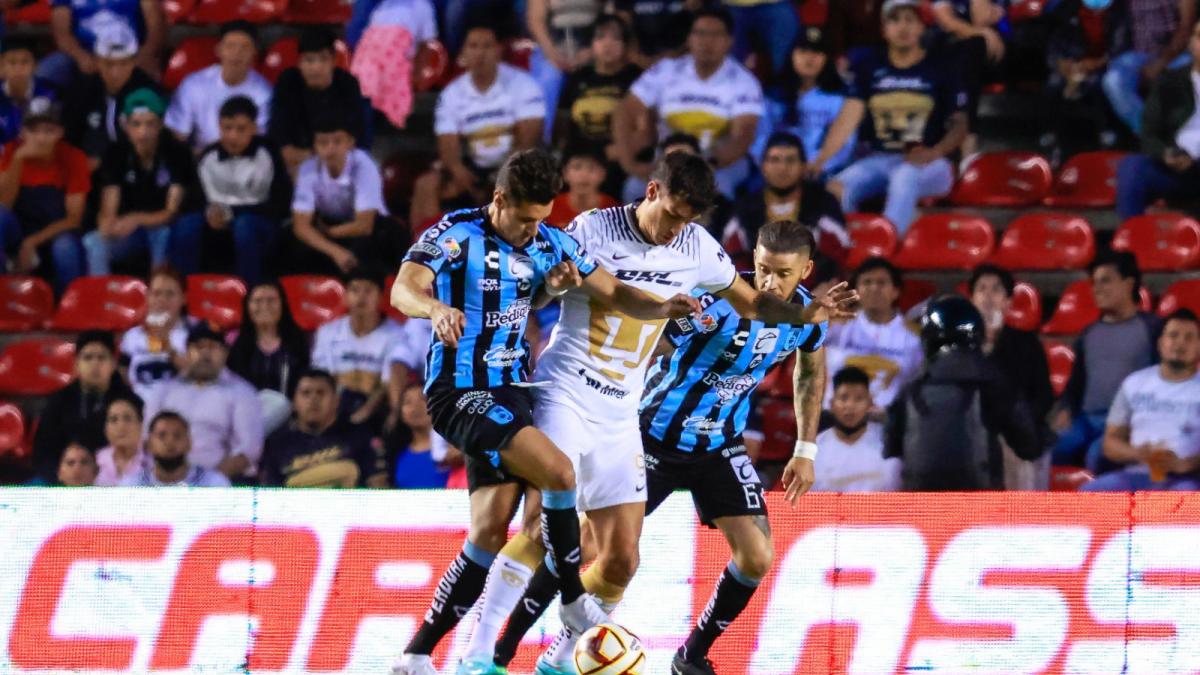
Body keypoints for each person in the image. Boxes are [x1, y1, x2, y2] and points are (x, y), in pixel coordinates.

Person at [455, 151, 853, 674]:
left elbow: (786, 338)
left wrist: (805, 441)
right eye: (760, 267)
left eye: (781, 274)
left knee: (685, 558)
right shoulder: (639, 252)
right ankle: (489, 654)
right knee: (562, 534)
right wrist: (577, 294)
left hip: (684, 434)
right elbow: (604, 304)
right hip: (619, 415)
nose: (767, 281)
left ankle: (607, 658)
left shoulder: (752, 284)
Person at [388, 148, 721, 675]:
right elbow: (404, 287)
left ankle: (419, 655)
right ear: (499, 199)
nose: (531, 232)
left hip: (514, 388)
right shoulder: (455, 233)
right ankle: (568, 597)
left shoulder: (548, 240)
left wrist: (658, 307)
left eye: (541, 219)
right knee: (559, 477)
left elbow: (610, 289)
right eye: (524, 219)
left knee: (488, 533)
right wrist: (433, 307)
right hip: (462, 388)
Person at [811, 0, 969, 236]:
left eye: (910, 20)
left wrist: (936, 152)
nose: (902, 27)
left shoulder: (941, 67)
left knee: (904, 176)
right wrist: (821, 160)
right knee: (837, 187)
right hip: (880, 159)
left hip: (932, 163)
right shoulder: (869, 67)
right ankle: (843, 248)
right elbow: (848, 117)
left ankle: (887, 249)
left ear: (922, 27)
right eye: (895, 20)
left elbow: (960, 124)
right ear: (884, 29)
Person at [885, 295, 1040, 490]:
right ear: (978, 334)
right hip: (979, 506)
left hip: (920, 507)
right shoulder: (993, 382)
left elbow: (890, 447)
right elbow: (1028, 445)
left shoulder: (911, 389)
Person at [616, 8, 763, 200]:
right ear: (689, 38)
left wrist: (707, 165)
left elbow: (742, 136)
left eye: (715, 35)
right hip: (666, 159)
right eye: (700, 33)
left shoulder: (744, 81)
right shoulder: (665, 70)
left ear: (729, 41)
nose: (706, 41)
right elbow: (626, 111)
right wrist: (629, 162)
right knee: (634, 188)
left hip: (718, 163)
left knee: (717, 191)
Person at [409, 23, 545, 228]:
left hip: (514, 164)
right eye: (473, 46)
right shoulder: (452, 93)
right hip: (472, 167)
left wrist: (502, 175)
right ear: (463, 53)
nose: (480, 53)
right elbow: (448, 143)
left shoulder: (523, 84)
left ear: (499, 50)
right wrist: (457, 169)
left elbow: (528, 138)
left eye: (487, 46)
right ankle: (427, 251)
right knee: (427, 185)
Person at [1054, 251, 1162, 470]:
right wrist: (1065, 408)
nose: (1097, 289)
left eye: (1105, 281)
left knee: (1097, 457)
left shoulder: (1153, 329)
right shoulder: (1089, 333)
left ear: (1129, 283)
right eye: (1094, 282)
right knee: (1045, 449)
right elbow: (1076, 383)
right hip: (1085, 421)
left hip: (1125, 425)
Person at [172, 96, 290, 286]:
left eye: (240, 129)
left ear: (254, 128)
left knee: (244, 226)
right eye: (227, 128)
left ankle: (248, 292)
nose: (232, 136)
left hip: (259, 224)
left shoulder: (268, 154)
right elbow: (193, 201)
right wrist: (209, 213)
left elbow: (280, 204)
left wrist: (232, 214)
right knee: (186, 226)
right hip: (216, 223)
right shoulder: (208, 156)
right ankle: (187, 291)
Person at [1082, 309, 1200, 491]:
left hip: (1184, 480)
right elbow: (1110, 443)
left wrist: (1185, 464)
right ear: (1161, 343)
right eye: (1173, 335)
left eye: (1189, 338)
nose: (1180, 343)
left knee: (1185, 501)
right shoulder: (1134, 383)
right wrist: (1139, 453)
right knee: (1088, 495)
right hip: (1135, 475)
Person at [84, 89, 193, 276]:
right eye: (136, 124)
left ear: (160, 124)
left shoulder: (177, 152)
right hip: (129, 231)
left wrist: (136, 219)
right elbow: (109, 206)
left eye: (150, 124)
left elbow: (170, 212)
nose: (143, 132)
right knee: (93, 241)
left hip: (161, 228)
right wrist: (107, 225)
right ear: (126, 125)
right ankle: (100, 297)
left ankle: (159, 296)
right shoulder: (115, 153)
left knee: (163, 234)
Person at [142, 322, 264, 481]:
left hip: (221, 484)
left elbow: (249, 450)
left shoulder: (242, 392)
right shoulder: (164, 391)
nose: (206, 353)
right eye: (199, 347)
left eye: (213, 347)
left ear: (225, 353)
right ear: (187, 353)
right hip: (164, 481)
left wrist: (205, 481)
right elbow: (147, 441)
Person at [722, 132, 847, 272]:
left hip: (811, 287)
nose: (782, 168)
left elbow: (836, 256)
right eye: (775, 160)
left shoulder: (823, 203)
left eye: (790, 160)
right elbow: (733, 256)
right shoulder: (745, 207)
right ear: (763, 167)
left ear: (803, 166)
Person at [288, 114, 396, 275]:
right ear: (315, 146)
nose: (330, 149)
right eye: (323, 143)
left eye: (337, 142)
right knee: (295, 244)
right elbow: (301, 226)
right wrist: (335, 251)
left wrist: (329, 233)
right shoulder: (308, 169)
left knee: (370, 244)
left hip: (371, 227)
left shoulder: (364, 165)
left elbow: (364, 225)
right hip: (331, 225)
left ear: (350, 143)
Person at [0, 97, 87, 291]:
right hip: (19, 232)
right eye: (34, 130)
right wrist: (17, 160)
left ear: (60, 133)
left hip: (55, 234)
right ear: (22, 133)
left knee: (64, 248)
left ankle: (68, 309)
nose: (40, 138)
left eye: (49, 131)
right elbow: (4, 206)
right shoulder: (11, 153)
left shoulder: (74, 158)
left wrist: (32, 242)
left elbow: (73, 219)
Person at [1117, 19, 1200, 220]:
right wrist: (1166, 154)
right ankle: (1131, 239)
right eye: (1199, 36)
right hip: (1178, 167)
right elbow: (1149, 134)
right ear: (1190, 42)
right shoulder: (1169, 81)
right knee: (1133, 166)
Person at [968, 264, 1054, 453]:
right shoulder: (960, 344)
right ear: (972, 300)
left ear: (1008, 302)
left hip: (1016, 435)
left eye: (996, 289)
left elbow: (1043, 395)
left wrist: (1020, 425)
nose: (988, 296)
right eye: (981, 289)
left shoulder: (1027, 342)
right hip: (970, 434)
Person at [554, 14, 641, 197]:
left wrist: (622, 149)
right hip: (582, 154)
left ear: (626, 45)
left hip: (620, 154)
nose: (607, 44)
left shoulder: (637, 79)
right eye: (600, 37)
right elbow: (563, 127)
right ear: (591, 44)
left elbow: (644, 129)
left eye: (616, 38)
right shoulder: (577, 78)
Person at [33, 331, 137, 483]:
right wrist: (62, 477)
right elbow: (43, 453)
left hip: (115, 481)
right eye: (88, 357)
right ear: (76, 364)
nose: (95, 364)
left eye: (101, 357)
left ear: (113, 364)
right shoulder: (58, 401)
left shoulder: (130, 401)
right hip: (66, 480)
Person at [269, 27, 371, 177]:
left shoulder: (348, 85)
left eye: (323, 59)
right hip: (295, 169)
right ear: (299, 63)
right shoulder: (288, 83)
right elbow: (282, 148)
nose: (316, 68)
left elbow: (356, 143)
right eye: (309, 60)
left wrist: (317, 158)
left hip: (339, 168)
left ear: (333, 61)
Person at [823, 257, 923, 409]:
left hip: (889, 423)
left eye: (881, 283)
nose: (874, 288)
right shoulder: (836, 326)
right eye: (867, 282)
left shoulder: (914, 337)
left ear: (895, 291)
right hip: (834, 419)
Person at [260, 369, 386, 488]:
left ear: (336, 401)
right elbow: (270, 496)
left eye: (321, 393)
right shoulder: (277, 444)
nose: (313, 399)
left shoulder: (360, 435)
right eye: (306, 393)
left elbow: (378, 486)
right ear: (294, 403)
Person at [311, 267, 405, 426]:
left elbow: (387, 386)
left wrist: (361, 416)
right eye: (355, 290)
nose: (361, 297)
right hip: (333, 410)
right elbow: (322, 378)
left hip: (376, 413)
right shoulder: (327, 332)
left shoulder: (397, 335)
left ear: (381, 297)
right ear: (346, 296)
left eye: (368, 291)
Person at [165, 21, 272, 152]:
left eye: (245, 47)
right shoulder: (194, 84)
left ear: (255, 52)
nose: (237, 53)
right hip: (198, 157)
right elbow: (177, 134)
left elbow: (258, 142)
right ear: (218, 50)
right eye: (230, 46)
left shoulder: (264, 92)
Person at [763, 26, 855, 179]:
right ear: (791, 55)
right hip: (773, 169)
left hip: (822, 171)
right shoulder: (773, 94)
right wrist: (773, 165)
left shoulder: (840, 97)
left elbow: (844, 146)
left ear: (827, 59)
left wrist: (814, 165)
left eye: (817, 53)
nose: (809, 58)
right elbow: (759, 137)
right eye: (803, 51)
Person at [62, 31, 162, 170]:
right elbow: (69, 138)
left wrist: (108, 164)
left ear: (134, 62)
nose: (115, 72)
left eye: (123, 64)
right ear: (97, 61)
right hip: (87, 174)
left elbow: (153, 143)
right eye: (109, 64)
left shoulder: (148, 91)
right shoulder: (81, 90)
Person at [1041, 0, 1127, 161]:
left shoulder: (1119, 11)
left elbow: (1120, 47)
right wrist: (1063, 65)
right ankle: (1052, 133)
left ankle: (1106, 131)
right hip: (1072, 62)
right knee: (1054, 84)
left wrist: (1095, 64)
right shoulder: (1067, 10)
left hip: (1104, 64)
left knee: (1099, 84)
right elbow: (1055, 44)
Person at [1102, 0, 1196, 134]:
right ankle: (1152, 135)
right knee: (1113, 82)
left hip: (1177, 54)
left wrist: (1160, 63)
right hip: (1137, 54)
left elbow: (1186, 29)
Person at [347, 0, 438, 129]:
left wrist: (417, 74)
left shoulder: (423, 5)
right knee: (362, 89)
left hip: (395, 55)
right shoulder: (383, 5)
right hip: (369, 51)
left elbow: (426, 43)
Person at [812, 366, 900, 492]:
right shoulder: (814, 449)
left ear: (870, 404)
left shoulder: (889, 443)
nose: (850, 406)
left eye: (859, 399)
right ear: (831, 404)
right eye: (843, 398)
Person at [525, 0, 601, 141]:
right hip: (553, 45)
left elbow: (610, 14)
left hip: (594, 44)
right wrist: (553, 55)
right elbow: (536, 22)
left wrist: (593, 51)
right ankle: (542, 141)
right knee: (548, 77)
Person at [227, 281, 310, 397]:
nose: (265, 306)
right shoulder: (232, 340)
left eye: (271, 300)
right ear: (247, 306)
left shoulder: (299, 340)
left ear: (283, 305)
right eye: (257, 301)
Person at [47, 0, 163, 84]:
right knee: (50, 69)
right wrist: (81, 57)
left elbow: (155, 21)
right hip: (86, 53)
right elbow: (62, 34)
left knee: (151, 71)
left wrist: (147, 52)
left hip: (130, 53)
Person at [120, 266, 190, 400]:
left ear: (183, 298)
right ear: (147, 297)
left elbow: (201, 376)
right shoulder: (132, 336)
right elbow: (122, 375)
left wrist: (169, 349)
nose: (162, 299)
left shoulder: (193, 334)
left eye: (170, 294)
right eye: (156, 293)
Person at [121, 411, 232, 487]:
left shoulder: (214, 484)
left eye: (177, 435)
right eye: (162, 435)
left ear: (189, 443)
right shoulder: (131, 486)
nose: (170, 442)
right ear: (149, 444)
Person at [390, 382, 453, 488]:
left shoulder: (454, 449)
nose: (416, 407)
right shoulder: (396, 455)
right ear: (401, 414)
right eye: (408, 402)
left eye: (424, 399)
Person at [0, 38, 55, 145]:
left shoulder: (50, 93)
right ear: (1, 67)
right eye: (12, 62)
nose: (18, 68)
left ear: (35, 66)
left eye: (25, 62)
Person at [545, 147, 618, 228]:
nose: (584, 175)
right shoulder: (550, 208)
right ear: (565, 173)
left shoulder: (613, 209)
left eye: (591, 168)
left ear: (603, 174)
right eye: (577, 167)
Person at [613, 0, 695, 68]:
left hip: (682, 57)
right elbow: (622, 22)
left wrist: (680, 53)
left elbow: (699, 20)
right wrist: (634, 54)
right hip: (640, 58)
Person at [94, 396, 147, 486]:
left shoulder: (152, 461)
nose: (121, 426)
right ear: (106, 428)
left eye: (127, 418)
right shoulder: (95, 461)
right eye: (113, 419)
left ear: (140, 425)